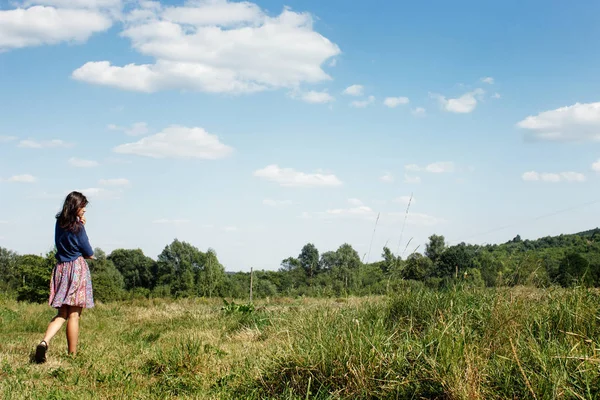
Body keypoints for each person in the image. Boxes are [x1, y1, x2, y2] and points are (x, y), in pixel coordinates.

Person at [34, 191, 95, 363]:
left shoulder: (59, 223)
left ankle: (44, 342)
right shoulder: (78, 226)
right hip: (76, 268)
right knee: (74, 314)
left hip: (61, 268)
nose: (84, 210)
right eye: (83, 207)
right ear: (76, 206)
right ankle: (72, 356)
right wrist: (83, 226)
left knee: (62, 313)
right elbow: (88, 250)